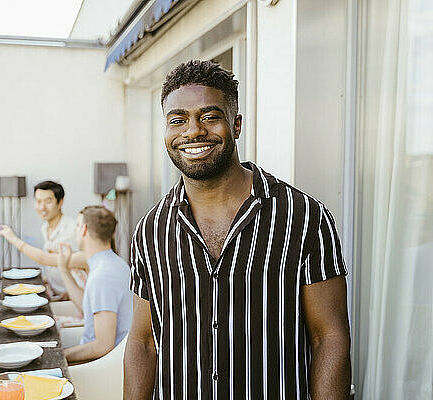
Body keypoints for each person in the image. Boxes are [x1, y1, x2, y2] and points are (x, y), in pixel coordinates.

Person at [124, 60, 351, 399]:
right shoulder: (150, 230)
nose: (193, 131)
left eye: (209, 116)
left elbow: (329, 338)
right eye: (178, 120)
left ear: (237, 125)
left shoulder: (304, 217)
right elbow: (143, 343)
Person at [57, 206, 133, 364]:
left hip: (97, 366)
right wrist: (64, 269)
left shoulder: (103, 276)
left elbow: (103, 346)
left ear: (84, 230)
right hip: (100, 359)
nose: (75, 231)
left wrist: (60, 356)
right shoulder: (112, 263)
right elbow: (89, 310)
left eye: (77, 226)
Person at [0, 180, 86, 300]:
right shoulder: (45, 227)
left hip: (74, 297)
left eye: (48, 201)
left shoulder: (73, 230)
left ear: (60, 202)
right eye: (38, 201)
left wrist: (13, 239)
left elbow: (46, 259)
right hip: (55, 293)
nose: (42, 207)